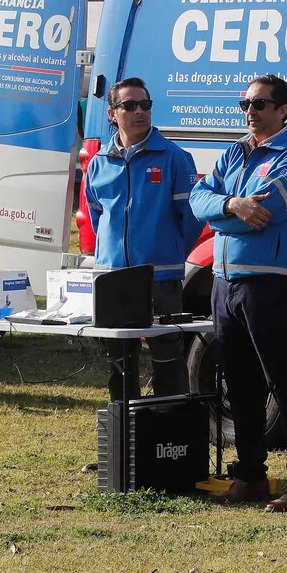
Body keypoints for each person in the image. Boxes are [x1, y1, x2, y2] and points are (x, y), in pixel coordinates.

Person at [189, 74, 287, 512]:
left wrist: (234, 209)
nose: (250, 112)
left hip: (268, 286)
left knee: (286, 386)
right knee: (239, 385)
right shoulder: (234, 151)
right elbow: (197, 199)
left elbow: (261, 214)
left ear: (283, 109)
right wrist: (231, 205)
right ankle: (250, 476)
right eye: (245, 104)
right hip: (224, 284)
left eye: (260, 104)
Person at [84, 77, 201, 400]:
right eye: (130, 105)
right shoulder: (98, 163)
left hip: (161, 276)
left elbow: (190, 219)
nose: (139, 112)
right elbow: (98, 218)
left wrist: (169, 252)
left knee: (167, 359)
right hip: (114, 279)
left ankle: (169, 429)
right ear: (112, 113)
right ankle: (127, 432)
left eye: (145, 105)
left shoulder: (174, 157)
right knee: (120, 363)